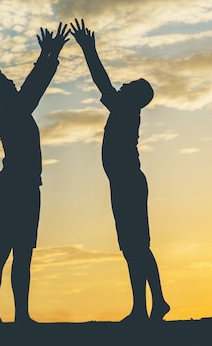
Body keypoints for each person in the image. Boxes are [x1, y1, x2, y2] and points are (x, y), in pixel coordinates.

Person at [70, 18, 170, 323]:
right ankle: (143, 306)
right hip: (124, 183)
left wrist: (89, 49)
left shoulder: (125, 108)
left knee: (137, 245)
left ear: (135, 97)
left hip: (128, 183)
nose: (122, 85)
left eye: (129, 86)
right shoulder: (126, 108)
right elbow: (106, 84)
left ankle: (155, 302)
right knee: (132, 247)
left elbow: (101, 81)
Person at [0, 23, 69, 324]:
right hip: (16, 186)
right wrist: (48, 54)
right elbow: (33, 90)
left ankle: (19, 315)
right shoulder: (9, 111)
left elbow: (31, 90)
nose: (11, 80)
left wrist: (49, 55)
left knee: (21, 252)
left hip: (25, 185)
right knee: (4, 249)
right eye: (4, 79)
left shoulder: (13, 108)